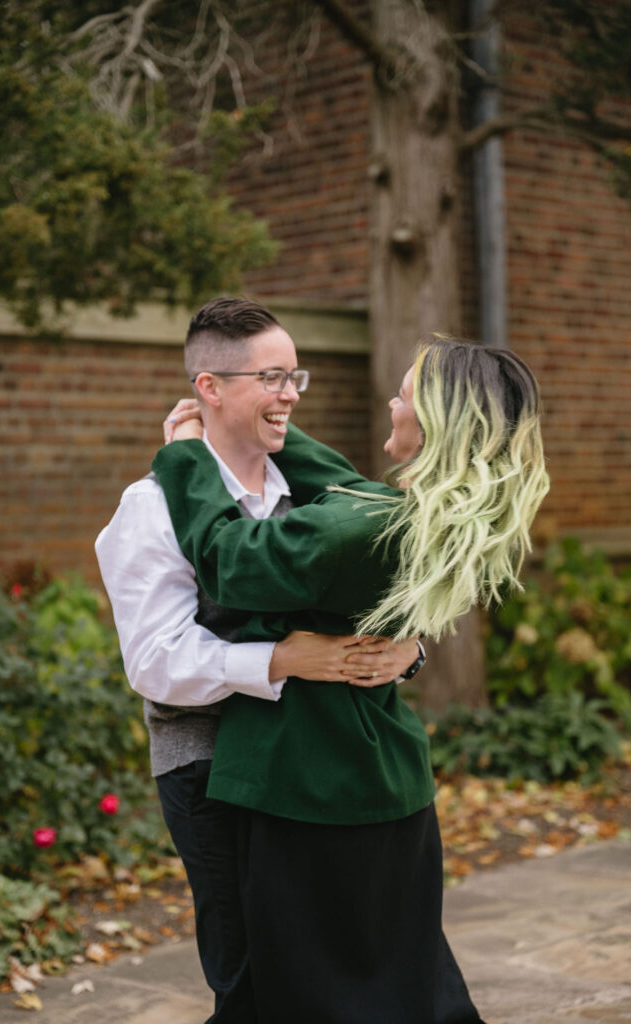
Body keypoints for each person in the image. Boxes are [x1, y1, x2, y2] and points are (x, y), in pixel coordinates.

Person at [156, 336, 550, 1024]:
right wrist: (256, 415)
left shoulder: (360, 527)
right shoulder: (439, 520)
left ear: (433, 421)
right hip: (387, 778)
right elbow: (338, 482)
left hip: (311, 785)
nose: (390, 405)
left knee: (310, 993)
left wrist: (186, 451)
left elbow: (227, 558)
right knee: (401, 981)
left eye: (402, 396)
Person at [95, 297, 421, 1023]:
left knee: (311, 976)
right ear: (209, 387)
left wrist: (409, 649)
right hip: (208, 764)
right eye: (271, 378)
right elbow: (154, 662)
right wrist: (281, 659)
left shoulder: (312, 495)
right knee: (246, 977)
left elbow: (382, 603)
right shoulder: (150, 509)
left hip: (311, 766)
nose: (291, 394)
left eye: (295, 375)